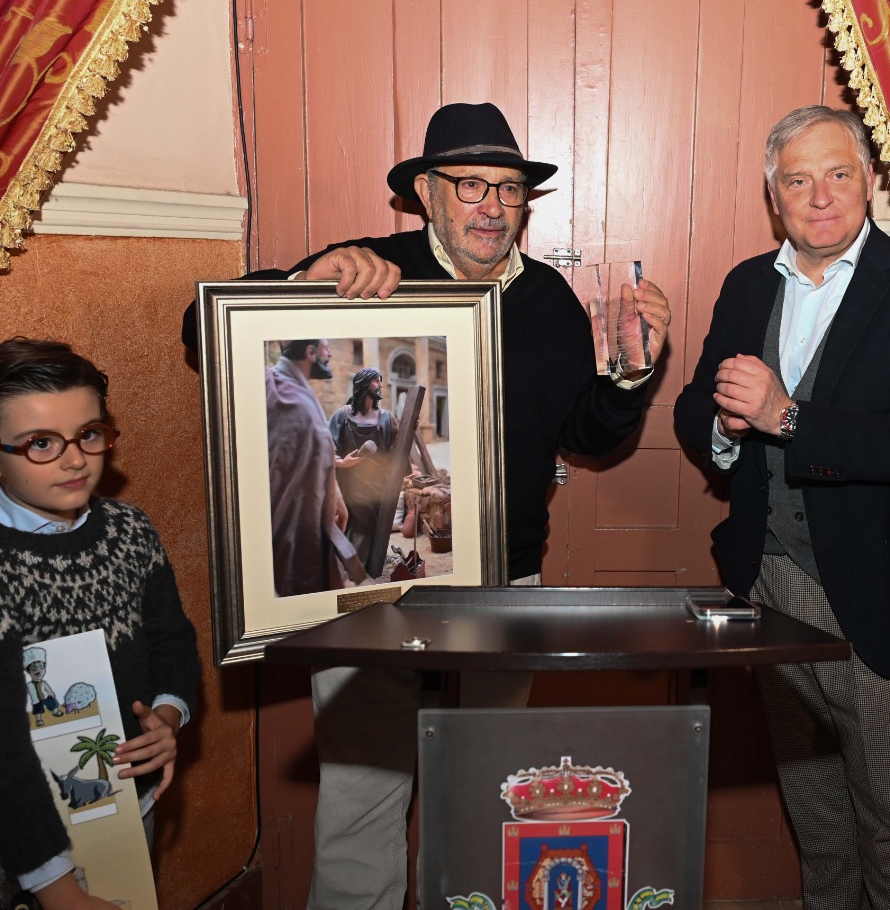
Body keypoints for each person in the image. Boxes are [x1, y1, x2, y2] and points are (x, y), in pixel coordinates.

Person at [188, 101, 672, 910]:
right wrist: (302, 285)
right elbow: (202, 333)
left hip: (504, 583)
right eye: (470, 184)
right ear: (425, 191)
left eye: (509, 189)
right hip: (372, 595)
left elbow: (585, 434)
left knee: (492, 790)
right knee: (361, 795)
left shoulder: (549, 299)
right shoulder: (369, 268)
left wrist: (628, 374)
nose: (493, 206)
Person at [675, 105, 890, 909]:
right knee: (813, 807)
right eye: (798, 180)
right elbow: (696, 407)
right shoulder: (747, 283)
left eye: (839, 174)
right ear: (774, 196)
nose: (820, 196)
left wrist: (789, 418)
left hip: (875, 596)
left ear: (868, 181)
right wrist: (726, 427)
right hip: (766, 584)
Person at [0, 338, 200, 910]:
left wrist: (167, 716)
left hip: (129, 804)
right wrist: (58, 890)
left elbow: (171, 639)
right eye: (41, 443)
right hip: (29, 854)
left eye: (89, 434)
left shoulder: (131, 532)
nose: (76, 460)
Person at [267, 339, 363, 596]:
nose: (330, 353)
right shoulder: (292, 404)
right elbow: (286, 481)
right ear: (310, 352)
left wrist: (335, 489)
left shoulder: (287, 386)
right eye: (326, 347)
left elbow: (314, 455)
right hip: (297, 533)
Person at [327, 366, 402, 576]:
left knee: (376, 523)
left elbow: (397, 449)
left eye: (380, 380)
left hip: (379, 483)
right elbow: (325, 446)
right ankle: (354, 564)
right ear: (363, 384)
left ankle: (372, 562)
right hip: (351, 483)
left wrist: (409, 430)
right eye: (376, 381)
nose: (380, 385)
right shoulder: (342, 415)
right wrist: (341, 462)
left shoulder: (386, 417)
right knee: (359, 521)